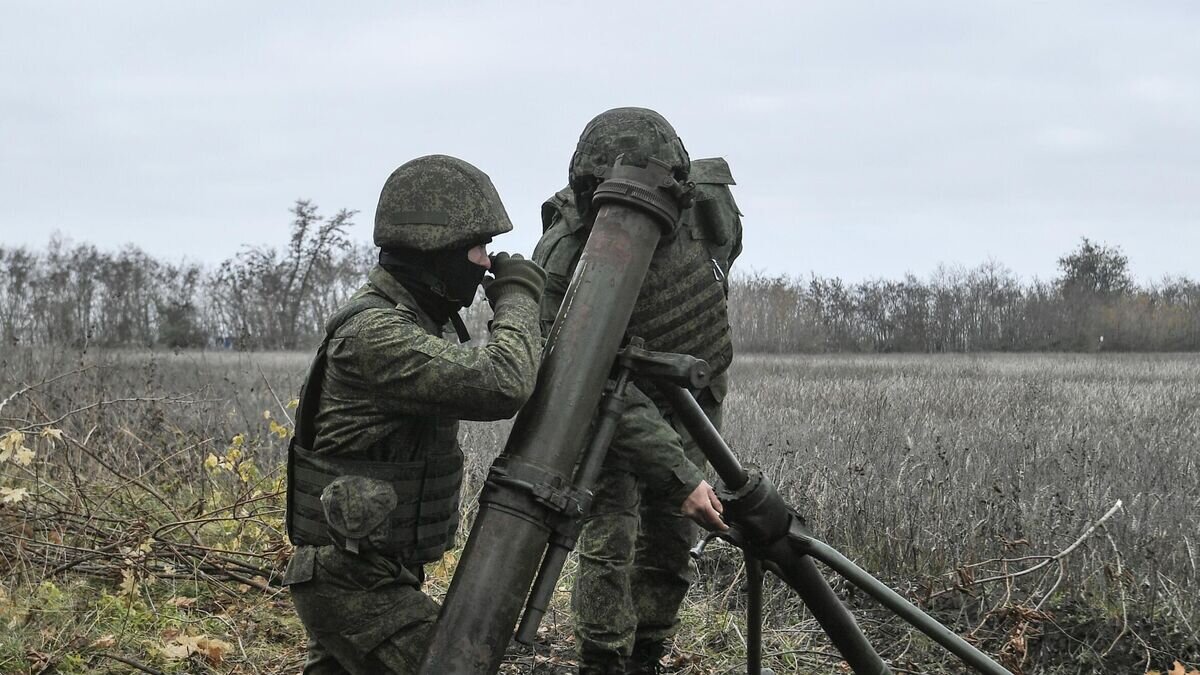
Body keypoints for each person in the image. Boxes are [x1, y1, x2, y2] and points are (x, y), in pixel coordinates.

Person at [281, 154, 547, 675]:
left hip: (369, 574)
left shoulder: (415, 319)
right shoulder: (375, 334)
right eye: (478, 247)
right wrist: (518, 299)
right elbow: (501, 384)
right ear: (437, 251)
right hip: (352, 585)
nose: (487, 261)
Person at [533, 108, 744, 674]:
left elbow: (718, 269)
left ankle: (647, 656)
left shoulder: (709, 207)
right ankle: (602, 662)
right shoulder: (562, 252)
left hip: (690, 396)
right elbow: (583, 380)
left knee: (673, 541)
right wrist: (679, 476)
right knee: (610, 540)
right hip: (606, 408)